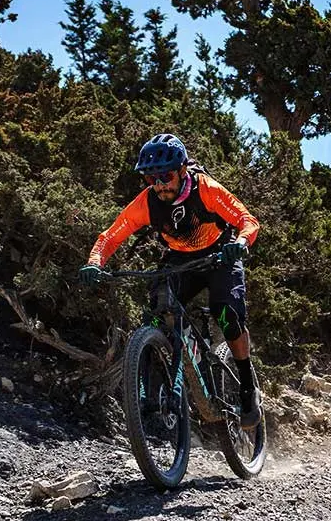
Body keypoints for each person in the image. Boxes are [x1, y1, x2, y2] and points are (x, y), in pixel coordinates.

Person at [78, 134, 262, 427]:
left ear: (182, 170)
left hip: (220, 254)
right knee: (161, 309)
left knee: (226, 314)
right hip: (180, 259)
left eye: (165, 175)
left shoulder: (207, 190)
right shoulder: (147, 202)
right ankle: (178, 368)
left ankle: (247, 385)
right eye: (152, 178)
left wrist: (240, 242)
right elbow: (111, 236)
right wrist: (94, 262)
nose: (160, 184)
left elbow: (247, 220)